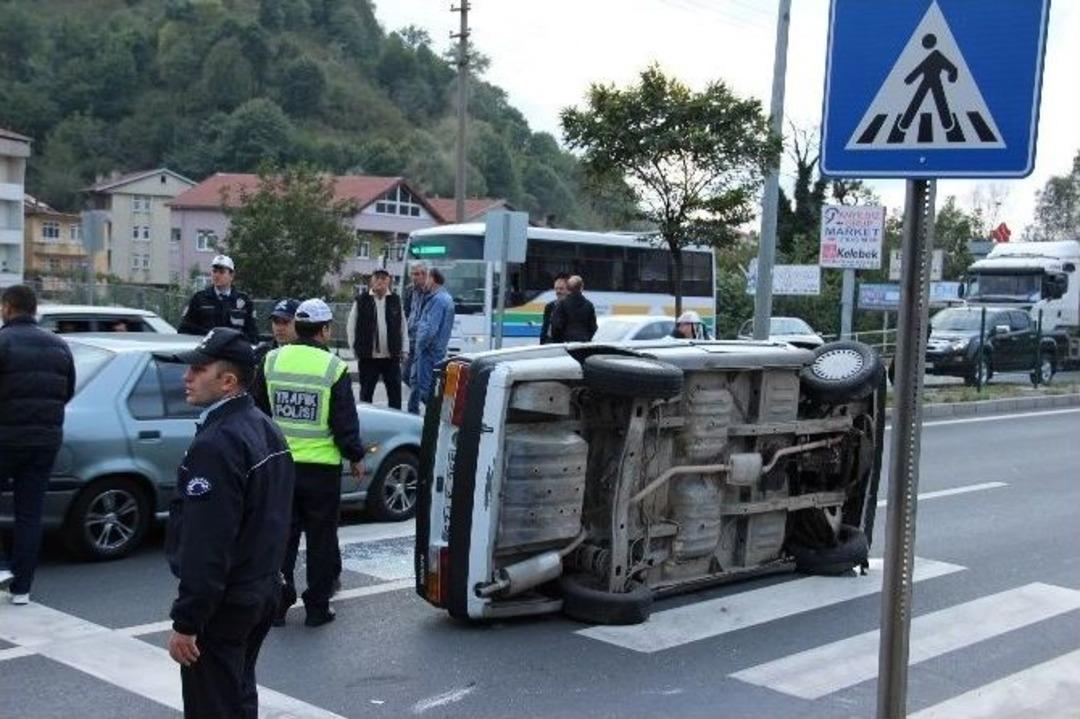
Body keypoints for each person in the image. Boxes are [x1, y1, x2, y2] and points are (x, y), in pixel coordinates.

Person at [159, 328, 294, 719]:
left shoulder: (216, 445)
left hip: (226, 603)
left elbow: (207, 545)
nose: (187, 376)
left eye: (199, 369)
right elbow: (278, 517)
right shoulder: (264, 427)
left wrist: (187, 621)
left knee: (212, 706)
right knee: (237, 697)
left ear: (228, 382)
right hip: (261, 589)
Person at [251, 299, 365, 627]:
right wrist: (355, 456)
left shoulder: (271, 361)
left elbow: (258, 415)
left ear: (296, 327)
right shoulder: (332, 367)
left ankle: (278, 602)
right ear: (325, 330)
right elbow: (344, 422)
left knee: (282, 539)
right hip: (322, 470)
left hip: (280, 468)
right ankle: (317, 606)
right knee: (321, 540)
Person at [0, 285, 76, 604]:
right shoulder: (60, 346)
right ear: (34, 310)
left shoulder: (2, 341)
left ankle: (3, 567)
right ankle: (22, 588)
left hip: (5, 438)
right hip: (45, 441)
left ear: (9, 306)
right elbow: (68, 391)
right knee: (30, 513)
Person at [347, 269, 408, 410]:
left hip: (391, 357)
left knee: (395, 394)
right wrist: (354, 350)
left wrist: (405, 349)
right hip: (369, 357)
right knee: (366, 394)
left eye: (383, 278)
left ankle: (395, 423)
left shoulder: (395, 300)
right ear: (371, 281)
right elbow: (351, 327)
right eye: (377, 278)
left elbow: (403, 327)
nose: (380, 281)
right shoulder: (361, 300)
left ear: (389, 281)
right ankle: (366, 424)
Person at [178, 255, 258, 342]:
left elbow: (252, 334)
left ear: (231, 275)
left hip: (233, 352)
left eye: (221, 272)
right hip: (206, 351)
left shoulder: (244, 301)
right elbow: (184, 329)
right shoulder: (199, 299)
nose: (216, 275)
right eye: (214, 271)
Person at [407, 268, 455, 415]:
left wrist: (420, 346)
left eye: (426, 277)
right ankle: (432, 416)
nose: (424, 282)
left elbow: (430, 329)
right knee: (424, 385)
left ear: (432, 279)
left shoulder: (438, 300)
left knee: (425, 389)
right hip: (435, 350)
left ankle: (437, 418)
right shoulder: (445, 298)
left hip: (429, 351)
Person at [402, 263, 429, 388]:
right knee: (405, 375)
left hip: (424, 340)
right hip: (410, 339)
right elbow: (405, 313)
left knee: (420, 377)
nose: (415, 277)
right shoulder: (409, 290)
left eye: (417, 274)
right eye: (413, 274)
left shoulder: (431, 292)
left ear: (425, 275)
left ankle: (426, 403)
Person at [550, 275, 597, 343]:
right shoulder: (589, 305)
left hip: (566, 343)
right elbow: (593, 327)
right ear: (581, 287)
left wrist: (558, 340)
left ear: (568, 288)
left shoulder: (562, 304)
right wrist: (587, 338)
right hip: (584, 342)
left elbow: (556, 326)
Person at [253, 298, 299, 367]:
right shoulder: (261, 353)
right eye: (276, 322)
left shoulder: (310, 353)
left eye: (285, 322)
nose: (279, 328)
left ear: (299, 324)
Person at [539, 273, 570, 344]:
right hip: (549, 344)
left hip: (564, 346)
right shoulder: (549, 306)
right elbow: (544, 330)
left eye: (561, 289)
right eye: (556, 288)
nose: (558, 291)